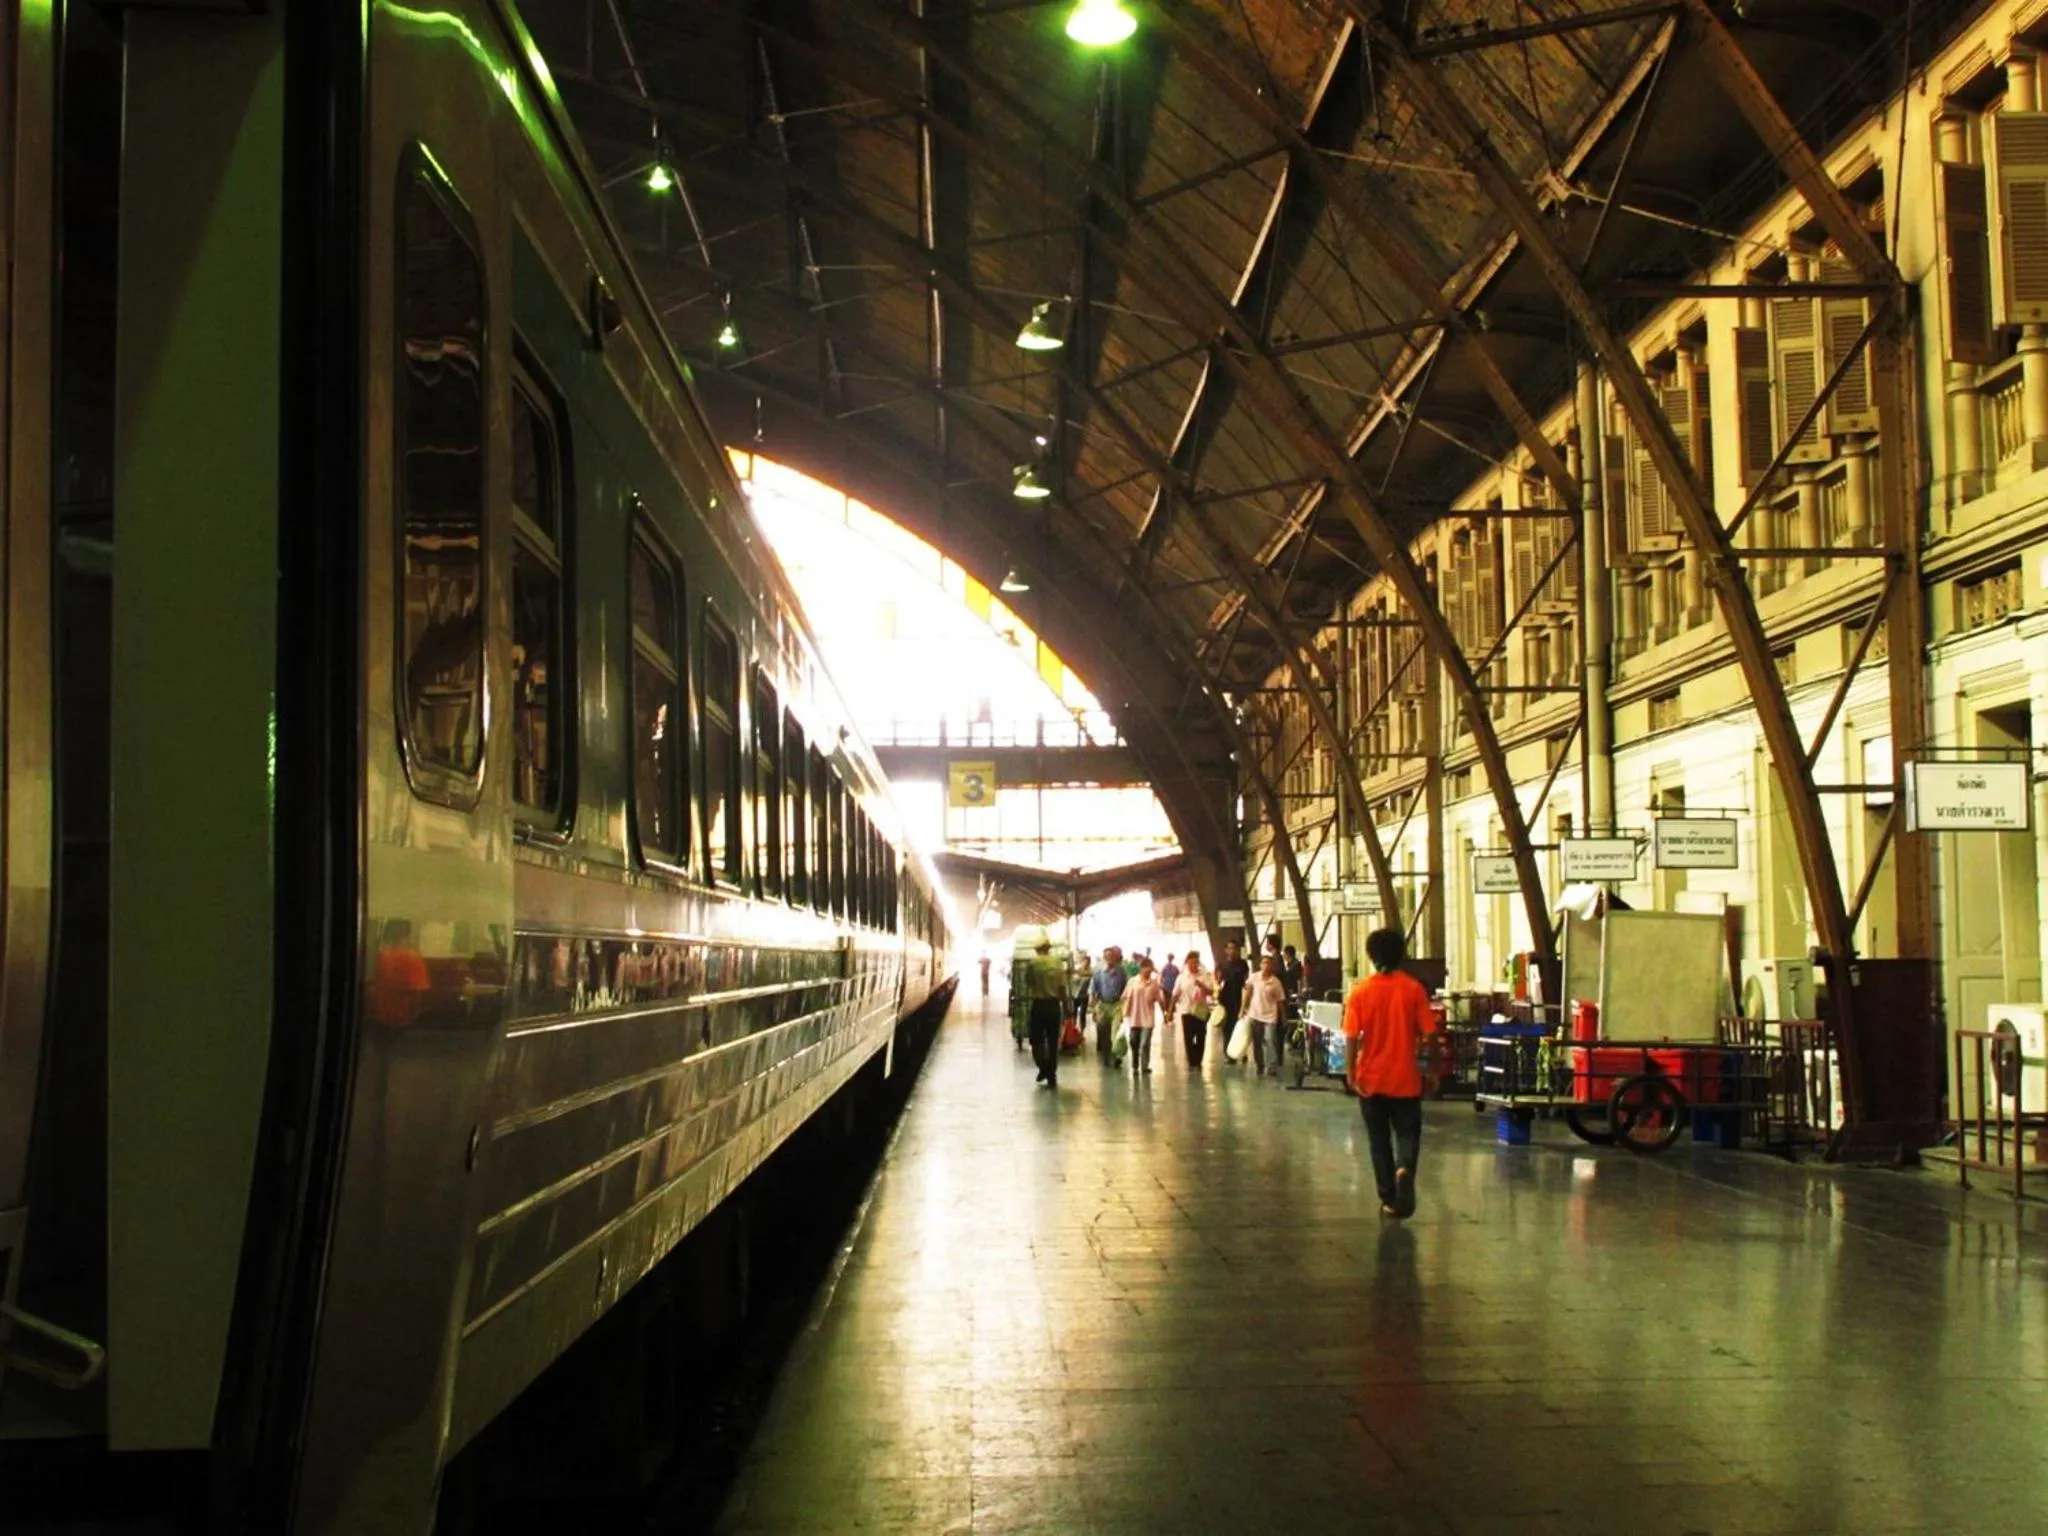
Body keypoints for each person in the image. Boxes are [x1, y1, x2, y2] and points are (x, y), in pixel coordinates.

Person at [1342, 928, 1439, 1218]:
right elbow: (1430, 1035)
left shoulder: (1361, 991)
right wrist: (1432, 1070)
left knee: (1378, 1140)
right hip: (1405, 1078)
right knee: (1408, 1133)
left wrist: (1350, 1072)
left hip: (1371, 1080)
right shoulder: (1413, 989)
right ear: (1401, 955)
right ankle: (1404, 1167)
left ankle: (1389, 1198)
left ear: (1371, 957)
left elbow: (1350, 1036)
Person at [1024, 937, 1068, 1088]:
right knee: (1053, 1041)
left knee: (1036, 1040)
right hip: (1054, 1006)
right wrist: (1067, 1005)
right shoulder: (1058, 963)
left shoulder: (1033, 963)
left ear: (1036, 950)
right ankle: (1052, 1076)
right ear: (1049, 948)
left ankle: (1044, 1068)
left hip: (1039, 1005)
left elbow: (1028, 982)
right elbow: (1062, 988)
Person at [1245, 953, 1287, 1076]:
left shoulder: (1276, 982)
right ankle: (1260, 1064)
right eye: (1264, 963)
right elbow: (1248, 994)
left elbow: (1280, 1001)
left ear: (1272, 966)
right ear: (1260, 965)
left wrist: (1283, 1017)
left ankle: (1272, 1066)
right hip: (1255, 1014)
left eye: (1269, 963)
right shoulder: (1253, 978)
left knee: (1270, 1040)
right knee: (1256, 1041)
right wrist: (1243, 1009)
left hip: (1270, 1016)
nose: (1266, 965)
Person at [1171, 952, 1212, 1069]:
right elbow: (1174, 994)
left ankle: (1198, 1061)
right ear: (1187, 963)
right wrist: (1169, 1012)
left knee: (1201, 1037)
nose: (1193, 964)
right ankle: (1191, 1062)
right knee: (1188, 1038)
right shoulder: (1181, 977)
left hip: (1200, 1011)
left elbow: (1210, 992)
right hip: (1186, 1011)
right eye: (1191, 962)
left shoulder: (1204, 976)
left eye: (1195, 962)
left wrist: (1201, 985)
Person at [1124, 957, 1163, 1076]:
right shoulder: (1132, 982)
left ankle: (1144, 1066)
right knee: (1133, 1041)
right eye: (1146, 969)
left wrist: (1166, 1013)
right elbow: (1124, 997)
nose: (1148, 972)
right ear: (1141, 969)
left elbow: (1160, 1000)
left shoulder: (1154, 983)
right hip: (1134, 1018)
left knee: (1145, 1043)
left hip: (1148, 1019)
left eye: (1150, 970)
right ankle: (1135, 1064)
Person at [1091, 947, 1128, 1063]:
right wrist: (1093, 1008)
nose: (1109, 958)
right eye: (1106, 956)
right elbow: (1093, 990)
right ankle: (1106, 1054)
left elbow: (1125, 989)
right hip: (1102, 1005)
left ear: (1115, 957)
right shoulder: (1098, 971)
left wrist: (1125, 1005)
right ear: (1104, 957)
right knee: (1103, 1032)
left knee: (1116, 1032)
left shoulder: (1121, 971)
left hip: (1116, 1005)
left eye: (1111, 956)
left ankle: (1117, 1055)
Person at [1216, 941, 1250, 1067]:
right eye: (1229, 948)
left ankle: (1241, 1051)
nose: (1232, 950)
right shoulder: (1222, 964)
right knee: (1227, 1028)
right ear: (1226, 950)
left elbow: (1246, 981)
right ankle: (1229, 1054)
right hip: (1225, 1000)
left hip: (1238, 1000)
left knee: (1239, 1028)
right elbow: (1218, 981)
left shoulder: (1243, 964)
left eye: (1234, 948)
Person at [1280, 944, 1304, 1009]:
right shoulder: (1288, 965)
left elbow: (1299, 980)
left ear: (1288, 953)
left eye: (1283, 953)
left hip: (1295, 991)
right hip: (1289, 991)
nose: (1283, 955)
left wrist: (1299, 995)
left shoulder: (1296, 965)